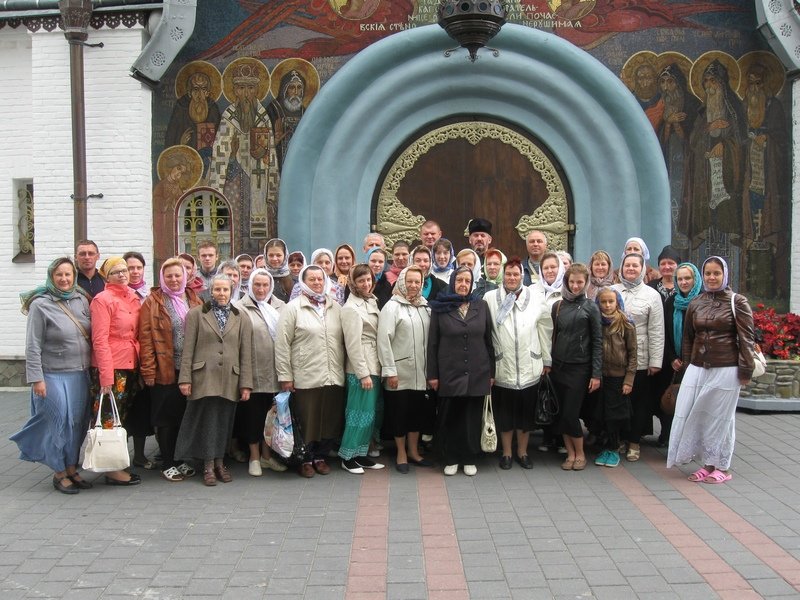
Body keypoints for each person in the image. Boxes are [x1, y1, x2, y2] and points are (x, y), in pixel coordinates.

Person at [667, 257, 755, 484]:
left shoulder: (738, 302)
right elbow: (688, 338)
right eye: (708, 273)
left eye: (716, 273)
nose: (712, 278)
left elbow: (746, 339)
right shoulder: (696, 302)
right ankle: (707, 464)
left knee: (721, 418)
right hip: (697, 367)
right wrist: (687, 366)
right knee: (698, 414)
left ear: (725, 274)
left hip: (726, 367)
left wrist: (745, 370)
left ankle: (722, 467)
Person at [11, 258, 93, 494]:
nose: (64, 279)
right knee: (58, 422)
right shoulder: (40, 304)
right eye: (59, 275)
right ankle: (58, 472)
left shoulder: (80, 299)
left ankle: (71, 467)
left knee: (77, 424)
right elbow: (33, 346)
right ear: (51, 277)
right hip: (52, 374)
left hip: (80, 373)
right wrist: (37, 379)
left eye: (68, 275)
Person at [176, 274, 254, 486]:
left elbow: (246, 353)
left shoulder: (241, 316)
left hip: (230, 377)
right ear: (211, 291)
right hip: (204, 376)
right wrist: (185, 379)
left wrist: (246, 384)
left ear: (232, 291)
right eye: (217, 289)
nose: (221, 293)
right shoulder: (196, 314)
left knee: (224, 421)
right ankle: (208, 465)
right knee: (207, 421)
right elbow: (188, 349)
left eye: (225, 290)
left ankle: (220, 462)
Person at [276, 265, 346, 478]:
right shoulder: (293, 308)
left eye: (320, 279)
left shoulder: (335, 307)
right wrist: (285, 375)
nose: (317, 283)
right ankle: (304, 458)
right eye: (312, 279)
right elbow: (282, 343)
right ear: (303, 282)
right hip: (305, 374)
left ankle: (321, 456)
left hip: (333, 373)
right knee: (307, 418)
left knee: (329, 418)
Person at [138, 258, 203, 482]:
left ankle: (180, 458)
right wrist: (148, 370)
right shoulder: (153, 302)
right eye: (169, 276)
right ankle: (167, 462)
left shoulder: (193, 298)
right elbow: (146, 339)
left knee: (183, 416)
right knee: (166, 418)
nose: (174, 280)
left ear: (185, 276)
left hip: (191, 370)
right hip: (165, 369)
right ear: (162, 278)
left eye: (178, 275)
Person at [427, 266, 495, 476]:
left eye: (467, 281)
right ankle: (451, 457)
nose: (463, 284)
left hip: (478, 371)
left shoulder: (481, 305)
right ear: (453, 282)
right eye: (459, 281)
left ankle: (469, 457)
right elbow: (433, 344)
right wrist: (433, 375)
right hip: (450, 372)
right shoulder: (440, 308)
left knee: (472, 418)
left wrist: (491, 372)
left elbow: (489, 341)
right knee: (451, 417)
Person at [485, 258, 552, 470]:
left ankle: (522, 452)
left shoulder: (535, 297)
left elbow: (545, 329)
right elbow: (486, 333)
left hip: (528, 365)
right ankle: (506, 453)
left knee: (525, 414)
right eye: (508, 274)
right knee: (505, 414)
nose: (512, 278)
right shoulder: (490, 298)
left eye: (516, 275)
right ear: (502, 276)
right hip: (503, 365)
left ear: (522, 276)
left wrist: (546, 358)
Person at [209, 59, 279, 239]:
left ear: (257, 90)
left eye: (250, 88)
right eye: (241, 88)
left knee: (259, 223)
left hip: (258, 179)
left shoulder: (263, 117)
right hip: (233, 181)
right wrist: (232, 156)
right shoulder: (229, 117)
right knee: (235, 221)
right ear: (234, 91)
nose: (246, 94)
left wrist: (265, 158)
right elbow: (220, 156)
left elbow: (269, 155)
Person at [90, 257, 144, 486]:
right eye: (116, 272)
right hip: (112, 366)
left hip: (131, 363)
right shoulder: (102, 300)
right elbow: (100, 340)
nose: (123, 274)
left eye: (125, 270)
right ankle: (111, 469)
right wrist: (106, 375)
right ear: (106, 276)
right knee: (109, 417)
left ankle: (118, 461)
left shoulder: (133, 297)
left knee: (121, 415)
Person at [377, 266, 431, 473]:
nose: (413, 285)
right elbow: (384, 340)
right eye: (410, 281)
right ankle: (401, 452)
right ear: (402, 281)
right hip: (399, 372)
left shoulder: (425, 307)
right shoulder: (392, 307)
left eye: (417, 282)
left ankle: (413, 451)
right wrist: (390, 370)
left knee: (416, 414)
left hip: (421, 373)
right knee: (399, 414)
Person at [549, 264, 602, 471]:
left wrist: (596, 374)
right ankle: (570, 453)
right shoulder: (558, 306)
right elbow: (555, 335)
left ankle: (580, 453)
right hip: (558, 367)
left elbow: (597, 341)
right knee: (562, 413)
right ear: (566, 282)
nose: (576, 286)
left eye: (580, 282)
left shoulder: (591, 307)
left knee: (571, 413)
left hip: (580, 368)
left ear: (586, 282)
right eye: (572, 282)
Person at [235, 268, 288, 476]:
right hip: (254, 373)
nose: (261, 288)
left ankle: (267, 456)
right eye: (257, 284)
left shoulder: (281, 306)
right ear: (250, 285)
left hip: (276, 373)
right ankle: (254, 457)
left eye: (265, 285)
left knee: (271, 418)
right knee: (253, 417)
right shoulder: (240, 308)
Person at [613, 253, 665, 462]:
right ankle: (619, 438)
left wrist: (655, 361)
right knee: (617, 401)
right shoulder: (612, 291)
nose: (631, 269)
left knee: (639, 401)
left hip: (641, 357)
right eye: (627, 265)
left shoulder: (651, 295)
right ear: (621, 268)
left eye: (635, 265)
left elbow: (657, 330)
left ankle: (634, 441)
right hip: (615, 357)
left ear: (642, 268)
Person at [339, 264, 385, 474]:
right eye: (361, 281)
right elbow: (353, 345)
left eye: (368, 280)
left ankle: (361, 453)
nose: (366, 284)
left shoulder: (371, 301)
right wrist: (363, 373)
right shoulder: (351, 308)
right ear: (353, 284)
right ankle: (347, 456)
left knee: (369, 414)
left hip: (374, 365)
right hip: (361, 369)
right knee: (357, 413)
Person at [593, 288, 637, 468]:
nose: (607, 305)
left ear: (617, 302)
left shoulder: (626, 322)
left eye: (611, 301)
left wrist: (629, 379)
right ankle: (604, 445)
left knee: (615, 416)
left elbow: (633, 353)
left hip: (618, 377)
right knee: (600, 414)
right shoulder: (596, 321)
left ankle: (613, 448)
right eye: (603, 302)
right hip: (600, 376)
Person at [661, 262, 703, 446]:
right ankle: (671, 438)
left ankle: (691, 441)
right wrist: (671, 358)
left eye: (688, 278)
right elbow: (665, 332)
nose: (684, 282)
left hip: (698, 362)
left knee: (694, 405)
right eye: (680, 279)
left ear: (695, 279)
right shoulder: (672, 301)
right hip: (676, 362)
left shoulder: (703, 301)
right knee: (675, 401)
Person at [531, 251, 566, 452]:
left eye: (553, 267)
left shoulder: (567, 289)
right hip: (538, 346)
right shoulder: (532, 290)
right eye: (546, 268)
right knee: (543, 392)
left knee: (559, 392)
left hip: (561, 348)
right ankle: (547, 435)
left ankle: (561, 437)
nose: (550, 271)